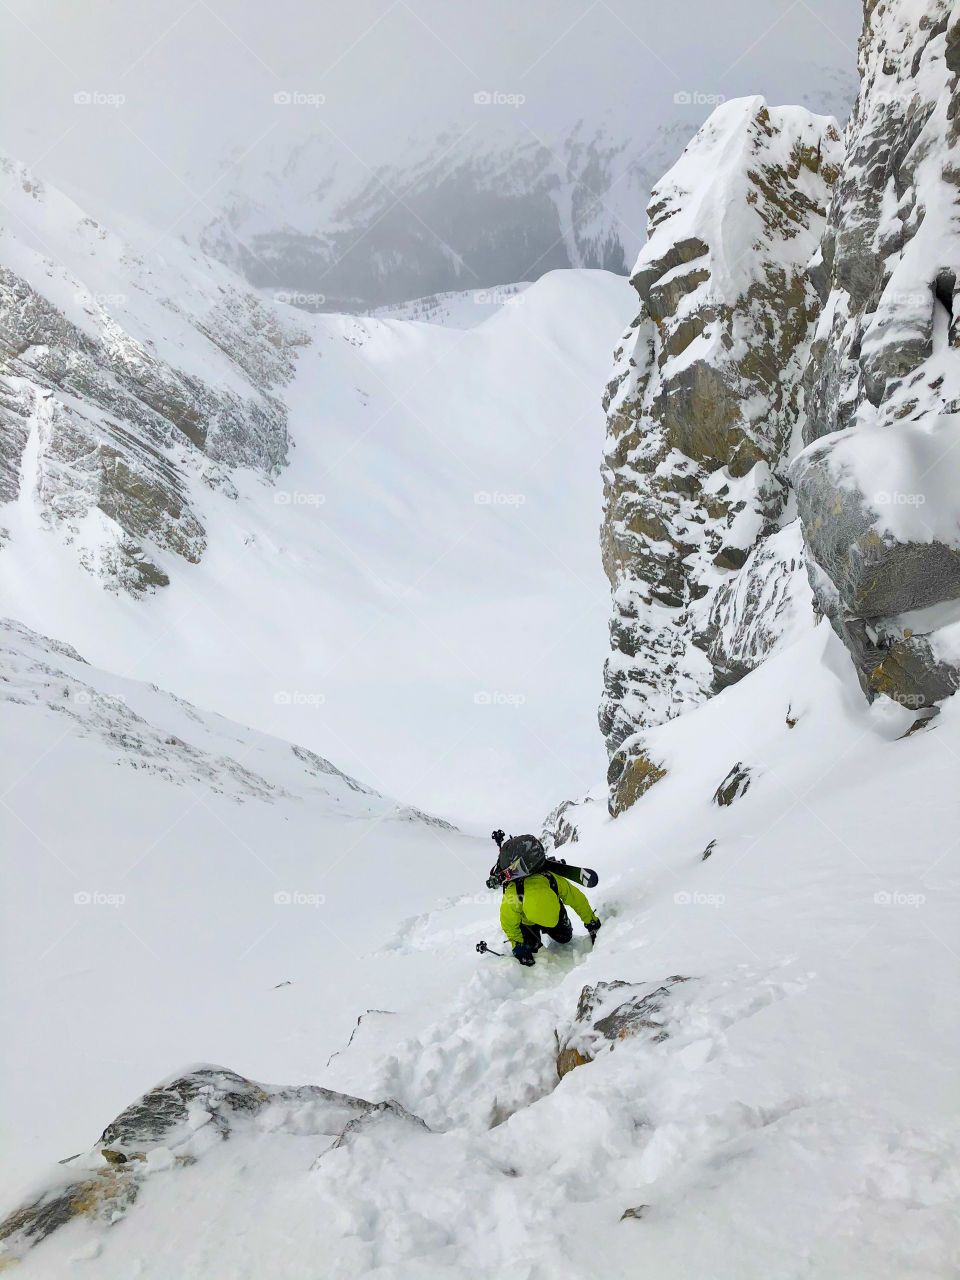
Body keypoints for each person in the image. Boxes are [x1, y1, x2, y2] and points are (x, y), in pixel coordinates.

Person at [491, 833, 600, 966]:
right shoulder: (551, 879)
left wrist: (518, 945)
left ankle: (536, 936)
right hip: (534, 922)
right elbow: (577, 899)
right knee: (536, 947)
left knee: (564, 939)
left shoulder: (543, 881)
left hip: (542, 920)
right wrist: (592, 922)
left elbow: (507, 920)